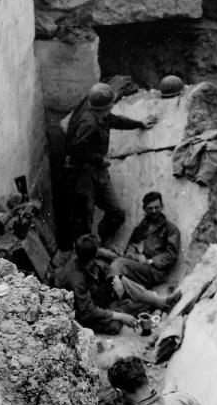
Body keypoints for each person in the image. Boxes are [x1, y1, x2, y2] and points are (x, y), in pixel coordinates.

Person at [64, 82, 158, 245]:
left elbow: (116, 121)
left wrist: (140, 123)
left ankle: (100, 241)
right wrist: (99, 159)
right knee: (85, 217)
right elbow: (74, 148)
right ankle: (85, 253)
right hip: (83, 174)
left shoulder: (102, 116)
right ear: (104, 107)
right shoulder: (88, 123)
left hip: (98, 172)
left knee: (117, 213)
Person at [55, 234, 180, 334]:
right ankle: (125, 309)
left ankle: (162, 302)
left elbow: (108, 263)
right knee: (116, 325)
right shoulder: (76, 278)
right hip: (82, 315)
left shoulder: (88, 255)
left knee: (123, 281)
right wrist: (121, 316)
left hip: (97, 296)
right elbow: (88, 312)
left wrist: (115, 277)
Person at [110, 192, 181, 287]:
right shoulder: (140, 228)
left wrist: (151, 261)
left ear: (162, 207)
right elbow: (130, 248)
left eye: (157, 207)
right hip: (139, 266)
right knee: (108, 261)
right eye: (150, 208)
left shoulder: (170, 229)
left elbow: (171, 255)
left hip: (156, 272)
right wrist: (134, 256)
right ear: (144, 209)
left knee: (120, 264)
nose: (154, 211)